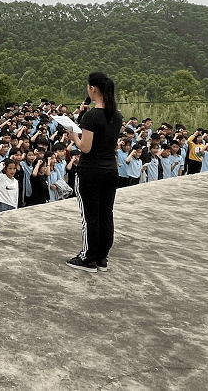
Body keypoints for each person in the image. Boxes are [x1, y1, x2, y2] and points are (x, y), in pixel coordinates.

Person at [64, 72, 123, 273]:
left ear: (92, 89)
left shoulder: (92, 117)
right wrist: (82, 115)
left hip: (90, 171)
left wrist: (73, 135)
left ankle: (88, 258)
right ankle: (101, 258)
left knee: (91, 217)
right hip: (110, 170)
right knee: (106, 214)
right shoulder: (117, 115)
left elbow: (85, 147)